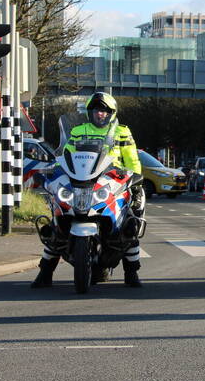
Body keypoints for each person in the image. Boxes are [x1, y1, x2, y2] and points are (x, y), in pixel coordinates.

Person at [32, 92, 145, 288]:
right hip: (81, 178)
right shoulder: (78, 130)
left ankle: (131, 273)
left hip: (113, 179)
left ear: (111, 113)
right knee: (57, 223)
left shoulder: (122, 132)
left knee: (130, 224)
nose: (99, 114)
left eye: (104, 111)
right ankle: (45, 273)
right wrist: (54, 170)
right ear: (90, 112)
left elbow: (132, 158)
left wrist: (135, 179)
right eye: (96, 110)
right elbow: (65, 153)